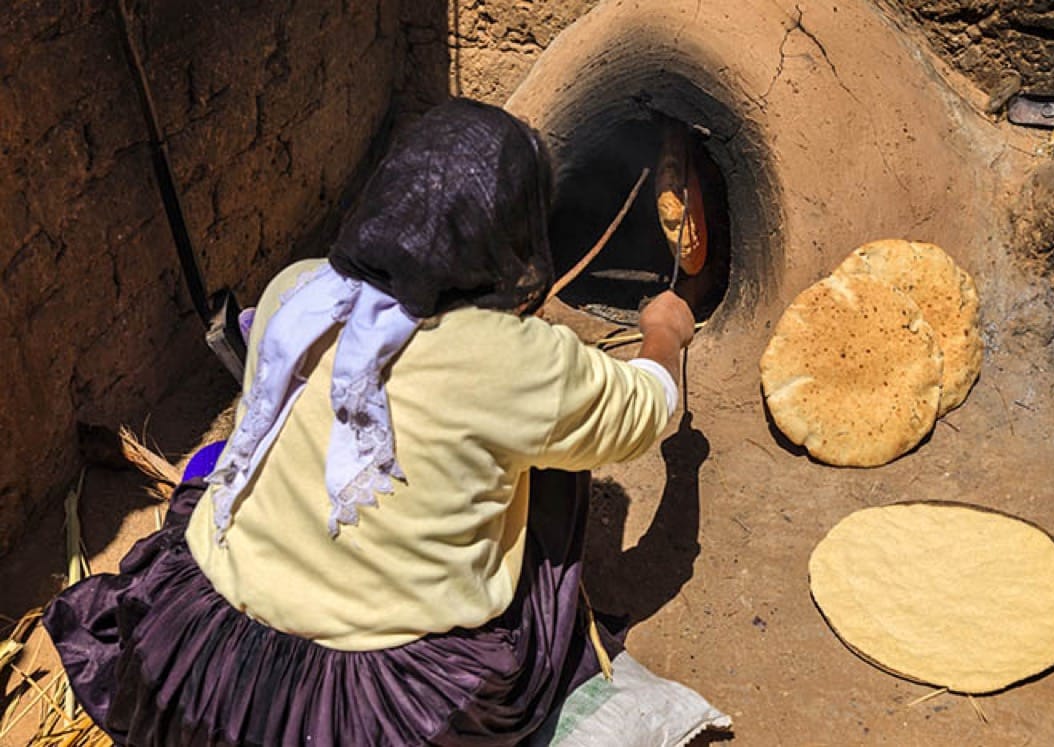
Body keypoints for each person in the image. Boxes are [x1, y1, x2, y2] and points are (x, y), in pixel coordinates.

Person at [43, 98, 694, 746]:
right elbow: (645, 409)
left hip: (199, 667)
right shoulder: (518, 363)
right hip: (374, 713)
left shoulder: (298, 291)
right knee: (558, 472)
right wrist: (663, 334)